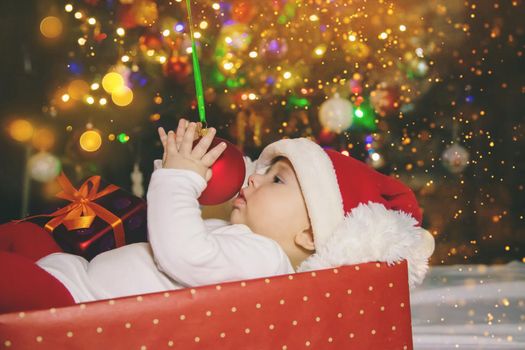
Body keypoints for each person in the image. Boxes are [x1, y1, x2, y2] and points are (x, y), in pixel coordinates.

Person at [0, 118, 434, 313]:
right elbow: (172, 224)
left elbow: (183, 253)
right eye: (262, 170)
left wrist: (178, 179)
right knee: (21, 240)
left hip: (73, 304)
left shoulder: (264, 263)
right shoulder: (241, 238)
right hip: (72, 274)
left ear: (308, 234)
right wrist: (185, 168)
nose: (255, 179)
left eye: (276, 181)